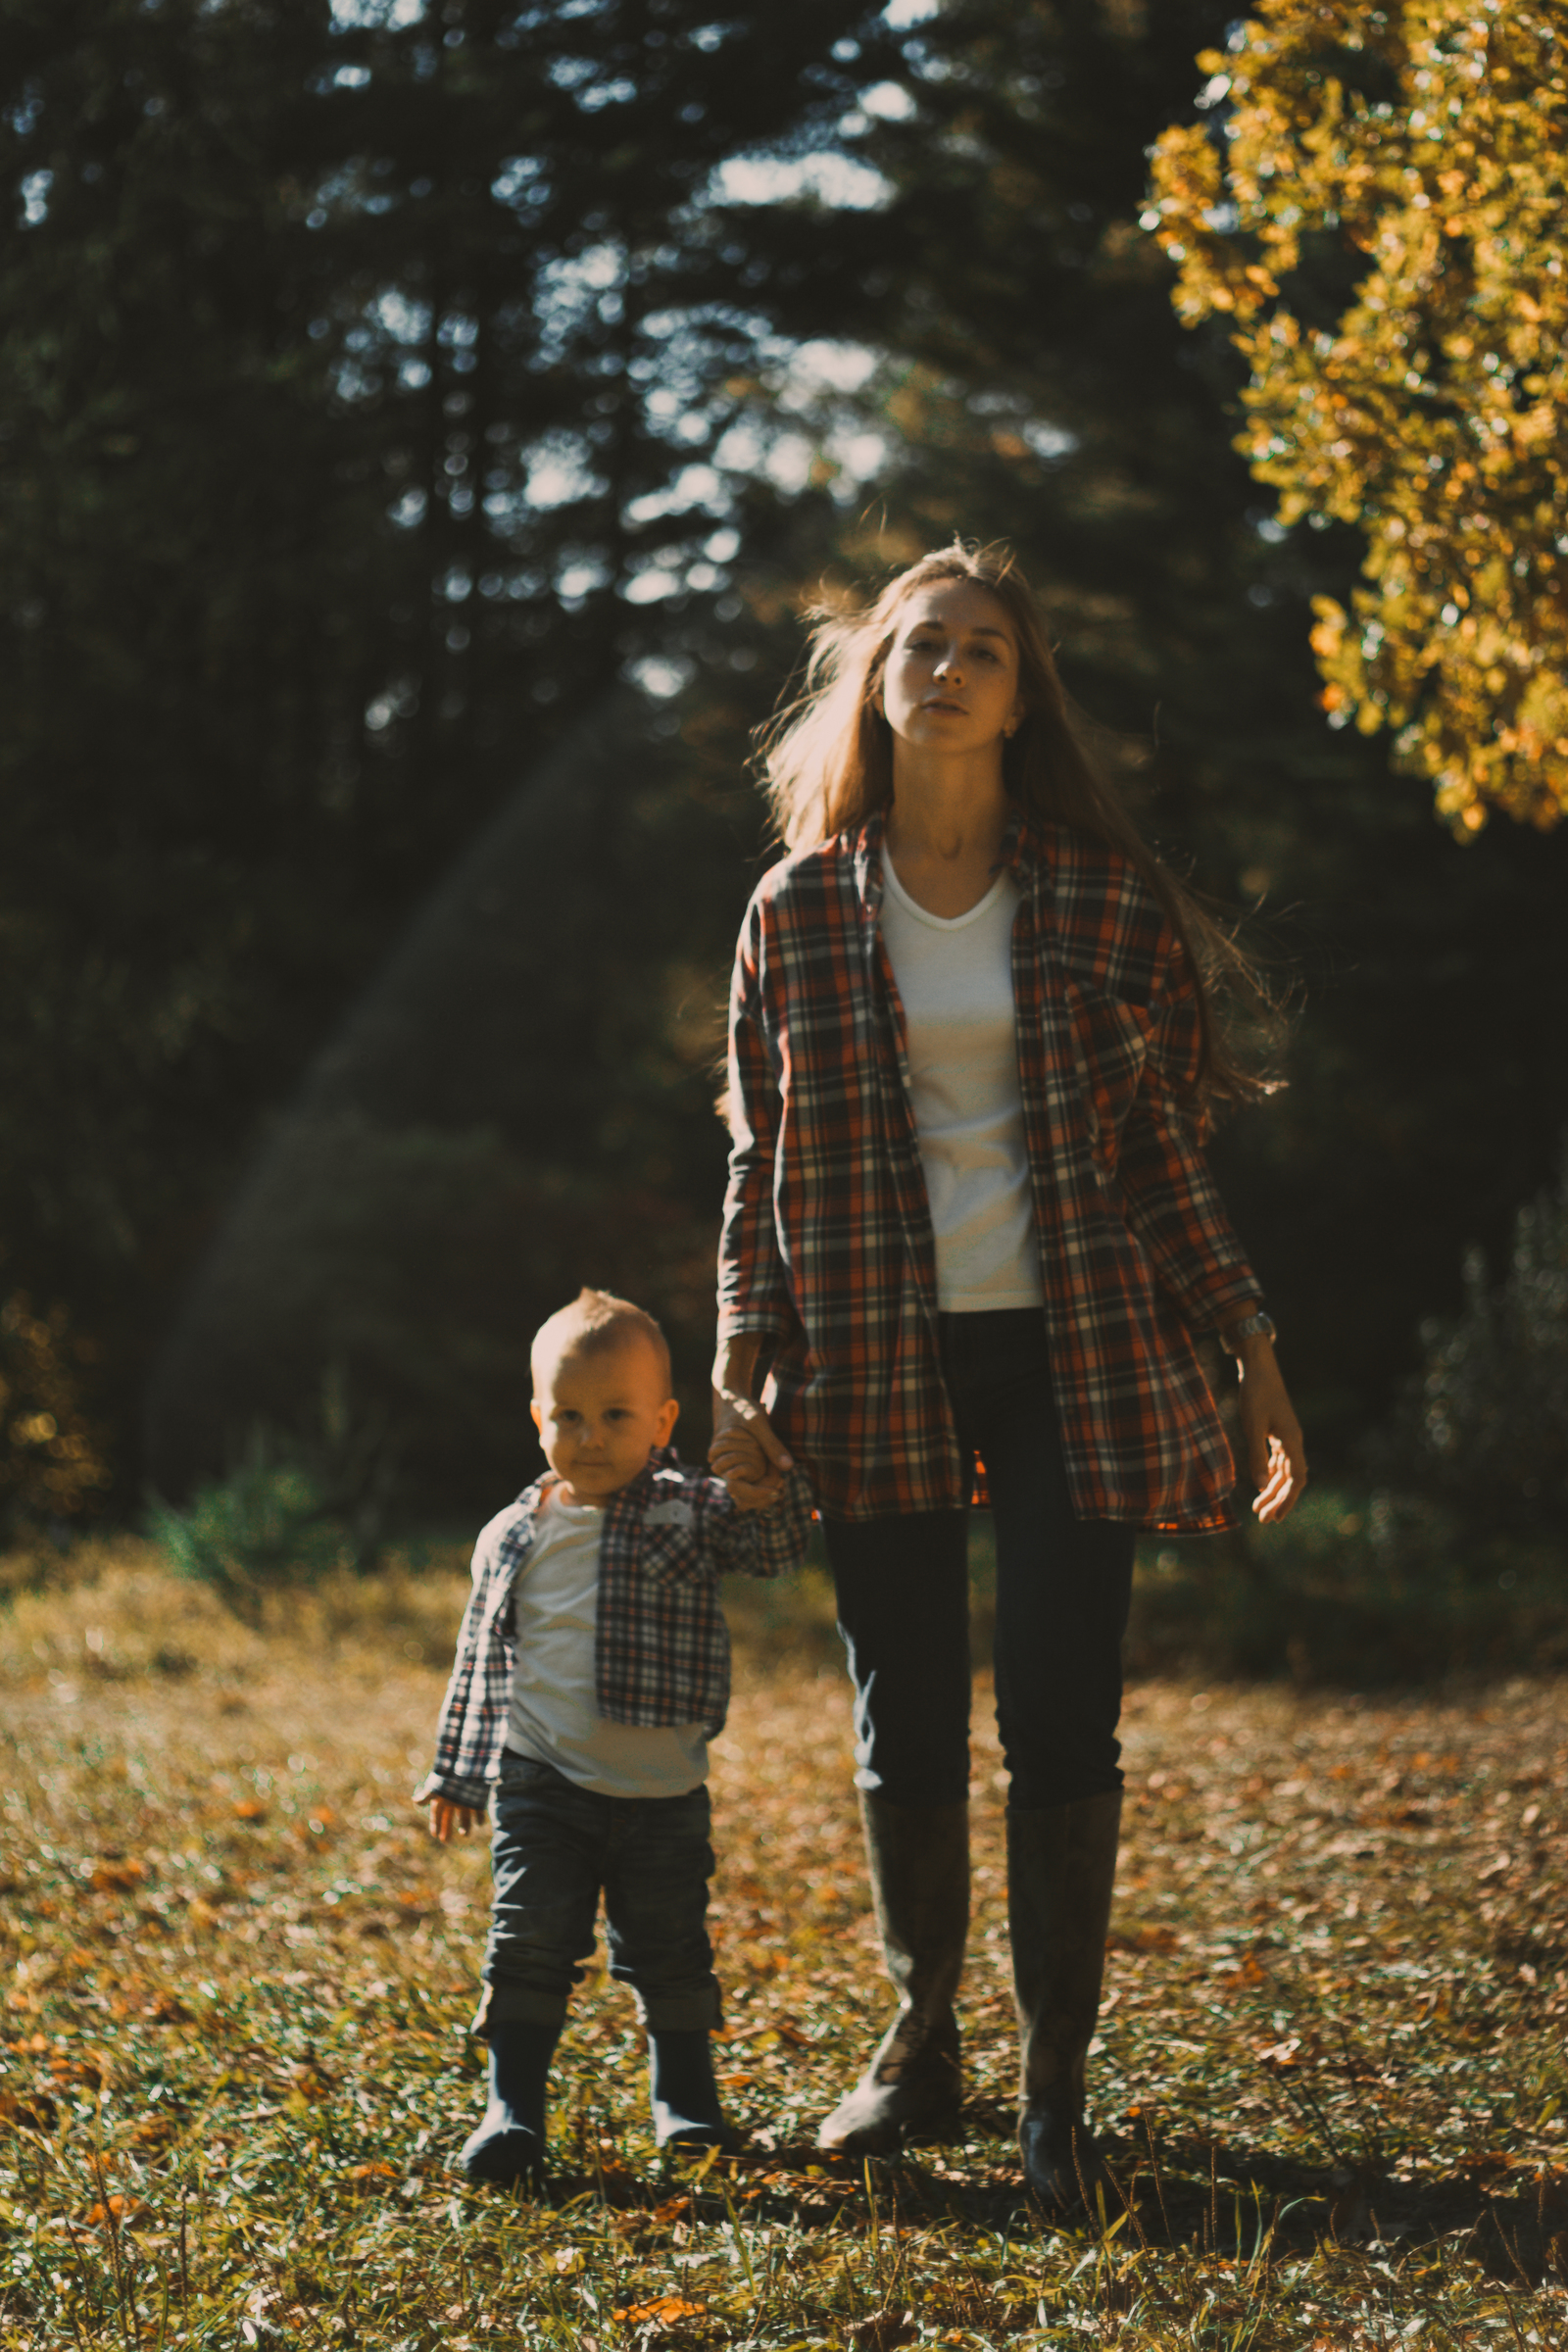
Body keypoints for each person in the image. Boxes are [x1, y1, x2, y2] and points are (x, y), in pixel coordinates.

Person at [710, 541, 1306, 2209]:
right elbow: (758, 1166)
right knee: (902, 1711)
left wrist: (1250, 1344)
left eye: (987, 648)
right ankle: (921, 2049)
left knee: (1061, 1712)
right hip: (873, 1347)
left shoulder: (1102, 900)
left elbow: (1168, 1161)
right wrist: (738, 1366)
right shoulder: (800, 908)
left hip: (1082, 1350)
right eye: (926, 645)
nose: (955, 668)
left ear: (1022, 692)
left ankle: (1056, 2086)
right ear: (879, 682)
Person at [416, 1287, 810, 2185]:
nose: (591, 1436)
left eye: (616, 1415)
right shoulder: (514, 1534)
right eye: (570, 1415)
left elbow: (777, 1553)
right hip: (543, 1782)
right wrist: (458, 1774)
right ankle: (511, 2111)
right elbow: (480, 1661)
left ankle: (687, 2103)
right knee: (528, 1939)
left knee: (671, 1946)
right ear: (537, 1418)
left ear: (664, 1419)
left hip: (663, 1793)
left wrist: (768, 1488)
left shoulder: (692, 1508)